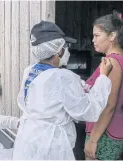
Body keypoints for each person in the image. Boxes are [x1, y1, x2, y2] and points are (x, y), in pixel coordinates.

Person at [12, 20, 113, 160]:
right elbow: (88, 111)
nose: (67, 50)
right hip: (51, 143)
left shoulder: (30, 71)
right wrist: (103, 78)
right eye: (65, 46)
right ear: (58, 51)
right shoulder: (63, 77)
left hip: (29, 136)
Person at [84, 10, 123, 160]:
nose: (93, 40)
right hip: (108, 130)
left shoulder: (112, 62)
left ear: (112, 36)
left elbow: (109, 105)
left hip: (104, 133)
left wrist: (93, 140)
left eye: (97, 35)